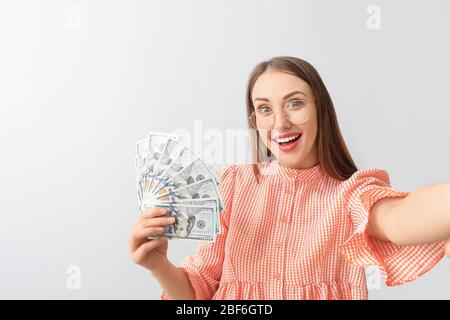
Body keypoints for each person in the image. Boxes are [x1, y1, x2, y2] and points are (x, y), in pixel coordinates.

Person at [128, 56, 450, 300]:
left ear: (320, 109)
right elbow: (199, 293)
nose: (280, 123)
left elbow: (402, 217)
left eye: (294, 104)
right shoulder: (232, 186)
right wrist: (159, 266)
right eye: (264, 109)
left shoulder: (350, 193)